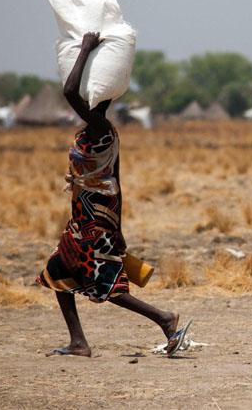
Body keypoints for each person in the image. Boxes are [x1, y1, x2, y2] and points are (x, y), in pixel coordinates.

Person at [37, 32, 191, 357]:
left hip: (94, 219)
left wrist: (85, 49)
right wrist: (119, 231)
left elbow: (68, 90)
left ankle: (164, 319)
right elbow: (116, 180)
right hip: (86, 216)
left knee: (109, 285)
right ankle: (78, 342)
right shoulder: (100, 131)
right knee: (59, 271)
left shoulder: (101, 128)